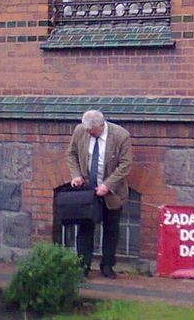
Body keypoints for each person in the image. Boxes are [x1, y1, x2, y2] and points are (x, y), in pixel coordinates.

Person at [66, 110, 132, 279]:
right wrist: (75, 175)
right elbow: (71, 154)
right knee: (85, 229)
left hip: (112, 191)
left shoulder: (121, 136)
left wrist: (107, 185)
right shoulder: (80, 131)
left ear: (101, 126)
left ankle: (107, 266)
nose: (88, 133)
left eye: (91, 131)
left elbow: (125, 165)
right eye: (86, 130)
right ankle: (82, 266)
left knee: (111, 229)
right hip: (87, 191)